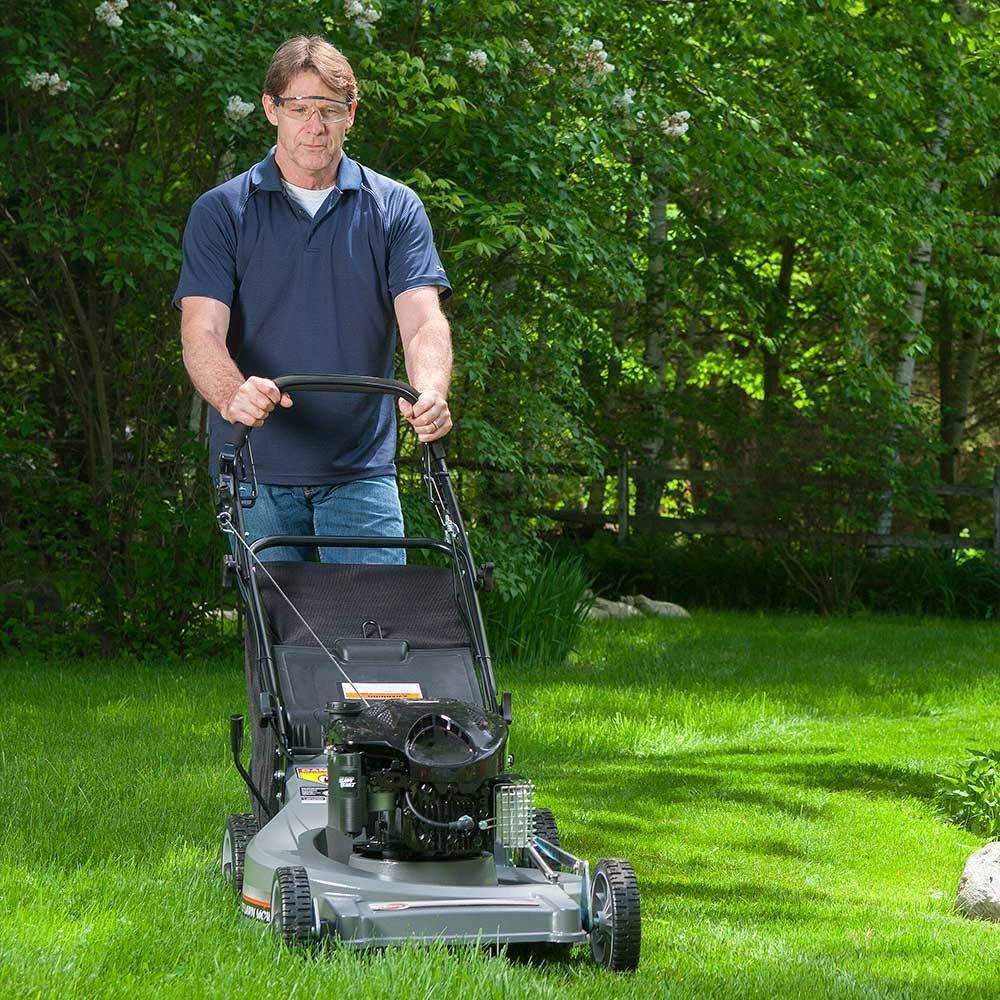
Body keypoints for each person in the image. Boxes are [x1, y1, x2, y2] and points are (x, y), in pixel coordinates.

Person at [174, 35, 453, 564]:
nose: (315, 125)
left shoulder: (395, 207)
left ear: (351, 114)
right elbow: (201, 331)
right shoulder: (222, 211)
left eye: (329, 109)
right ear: (271, 109)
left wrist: (431, 392)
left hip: (361, 473)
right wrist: (232, 395)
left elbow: (422, 322)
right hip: (255, 471)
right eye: (300, 108)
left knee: (377, 618)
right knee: (277, 621)